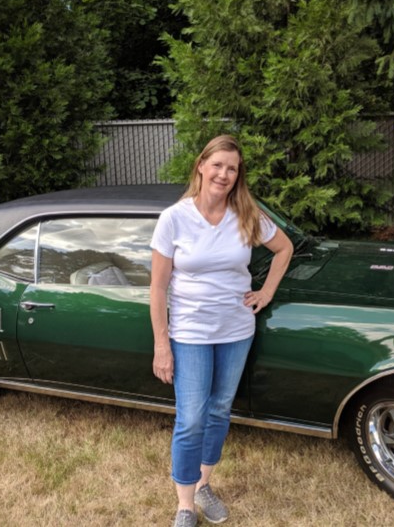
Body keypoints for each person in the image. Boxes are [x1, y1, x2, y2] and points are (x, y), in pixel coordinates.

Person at [150, 135, 293, 526]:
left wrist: (266, 292)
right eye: (217, 165)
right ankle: (184, 505)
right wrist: (162, 345)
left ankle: (203, 485)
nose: (224, 174)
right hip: (190, 332)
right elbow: (158, 286)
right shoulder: (175, 218)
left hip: (235, 330)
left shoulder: (246, 213)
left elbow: (285, 248)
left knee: (218, 411)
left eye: (232, 168)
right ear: (201, 166)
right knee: (191, 417)